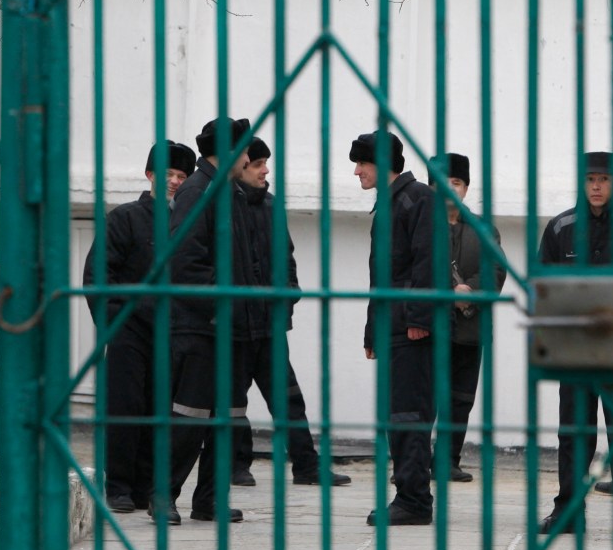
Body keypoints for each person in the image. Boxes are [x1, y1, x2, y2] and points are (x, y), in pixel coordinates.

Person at [82, 140, 196, 519]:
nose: (175, 182)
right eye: (169, 174)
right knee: (125, 407)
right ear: (150, 174)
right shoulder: (125, 219)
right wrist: (116, 322)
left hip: (173, 331)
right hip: (129, 331)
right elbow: (98, 274)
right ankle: (117, 486)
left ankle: (148, 487)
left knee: (160, 409)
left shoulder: (191, 223)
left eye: (183, 176)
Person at [230, 137, 352, 487]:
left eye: (265, 163)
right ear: (241, 167)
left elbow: (286, 257)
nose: (265, 170)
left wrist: (289, 296)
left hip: (269, 324)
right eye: (257, 164)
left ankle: (307, 466)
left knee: (288, 399)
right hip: (236, 324)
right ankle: (237, 465)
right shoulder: (222, 205)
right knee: (233, 401)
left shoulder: (270, 206)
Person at [167, 117, 256, 525]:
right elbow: (185, 261)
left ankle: (209, 500)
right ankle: (162, 495)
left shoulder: (231, 192)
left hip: (233, 326)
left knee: (228, 418)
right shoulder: (197, 192)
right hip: (202, 327)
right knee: (190, 419)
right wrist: (220, 305)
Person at [351, 130, 438, 526]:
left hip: (411, 327)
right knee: (398, 413)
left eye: (362, 163)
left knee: (409, 414)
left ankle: (414, 501)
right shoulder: (389, 204)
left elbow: (426, 263)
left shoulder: (418, 198)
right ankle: (409, 495)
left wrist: (419, 319)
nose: (357, 172)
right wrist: (373, 332)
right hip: (395, 325)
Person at [537, 151, 613, 534]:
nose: (596, 186)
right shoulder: (560, 228)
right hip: (575, 353)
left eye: (603, 179)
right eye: (590, 179)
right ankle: (568, 511)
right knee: (573, 434)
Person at [427, 153, 507, 482]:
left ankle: (448, 460)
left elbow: (496, 270)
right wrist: (450, 292)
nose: (449, 189)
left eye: (456, 183)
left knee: (461, 398)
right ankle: (416, 463)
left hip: (470, 327)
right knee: (423, 398)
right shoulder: (419, 227)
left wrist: (469, 292)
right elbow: (415, 269)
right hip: (429, 326)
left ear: (466, 188)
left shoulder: (485, 230)